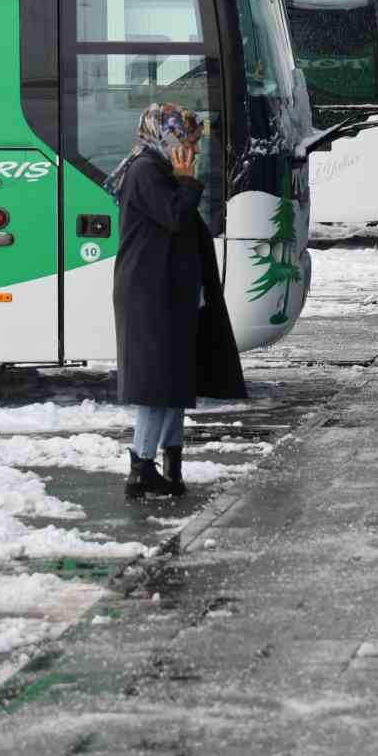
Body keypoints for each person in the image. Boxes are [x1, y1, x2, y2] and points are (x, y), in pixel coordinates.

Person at [107, 103, 246, 500]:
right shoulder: (146, 171)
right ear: (168, 136)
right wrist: (187, 182)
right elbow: (175, 217)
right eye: (190, 140)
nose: (196, 150)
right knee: (156, 386)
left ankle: (170, 463)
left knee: (173, 382)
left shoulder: (158, 168)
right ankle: (141, 466)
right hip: (152, 294)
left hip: (168, 291)